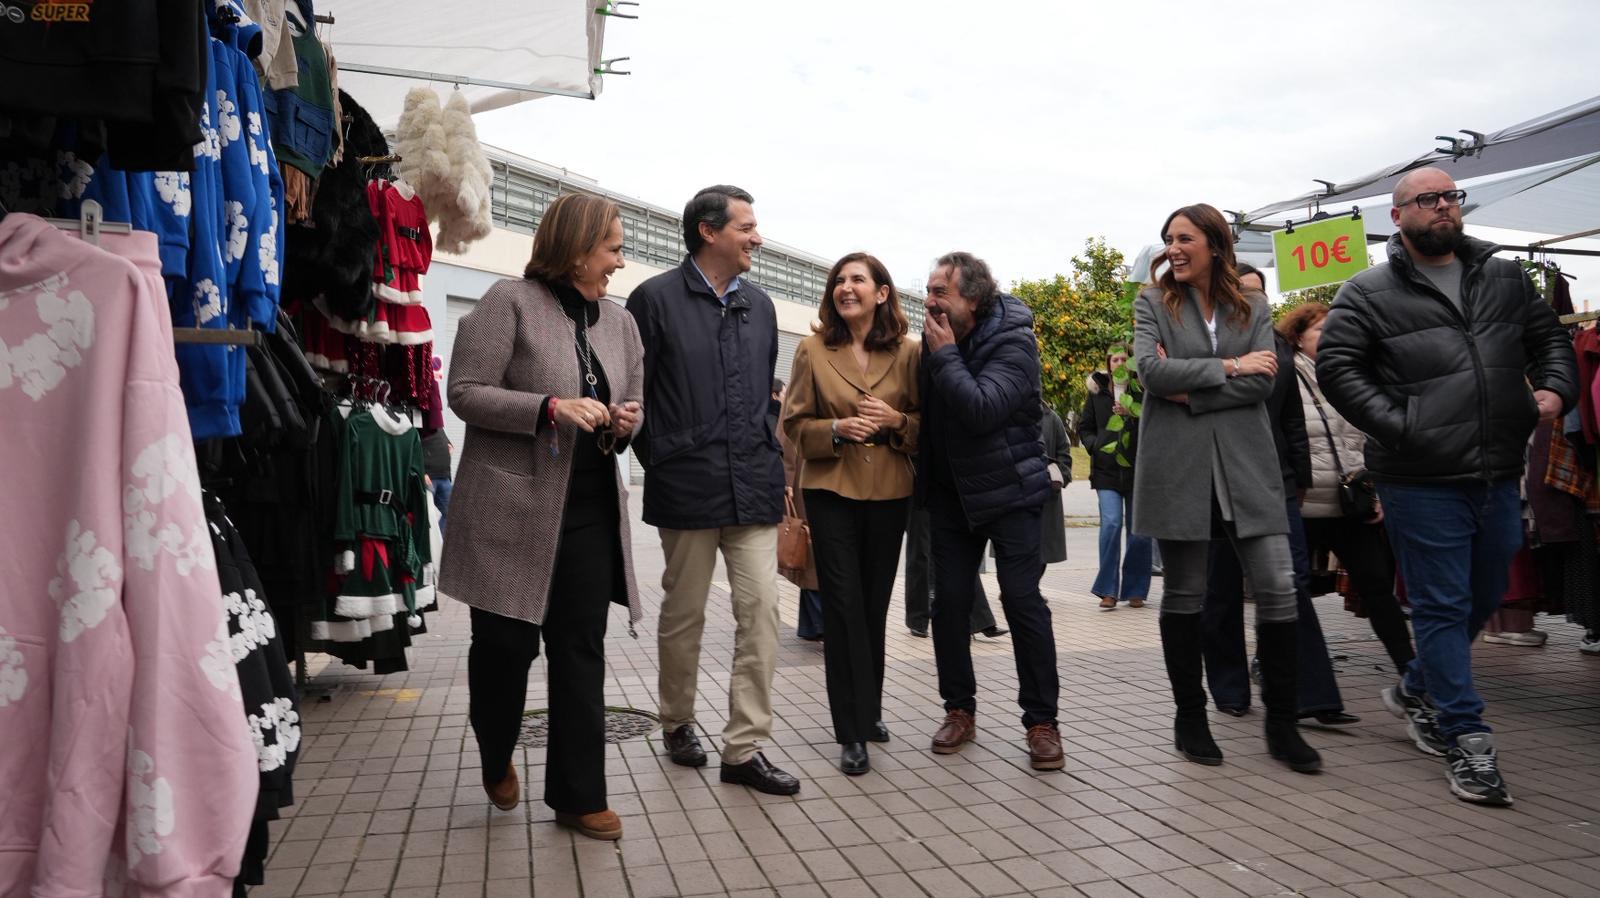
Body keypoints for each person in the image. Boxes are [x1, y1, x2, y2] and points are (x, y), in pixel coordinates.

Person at [1317, 167, 1576, 805]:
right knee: (1440, 603)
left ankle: (1414, 685)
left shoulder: (1505, 276)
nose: (1443, 207)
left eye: (1450, 196)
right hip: (1417, 475)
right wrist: (1401, 425)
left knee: (1484, 593)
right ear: (1398, 215)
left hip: (1494, 468)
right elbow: (1338, 366)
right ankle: (1467, 736)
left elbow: (1550, 341)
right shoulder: (1366, 291)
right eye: (1427, 199)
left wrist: (1556, 390)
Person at [441, 193, 644, 840]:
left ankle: (579, 797)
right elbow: (465, 392)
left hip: (587, 510)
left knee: (579, 650)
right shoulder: (508, 303)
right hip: (509, 508)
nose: (619, 258)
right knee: (505, 650)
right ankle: (497, 753)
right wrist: (548, 407)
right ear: (577, 246)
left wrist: (625, 421)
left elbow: (627, 402)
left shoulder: (620, 322)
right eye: (611, 245)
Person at [1132, 203, 1321, 774]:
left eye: (1184, 237)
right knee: (1185, 592)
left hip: (1247, 465)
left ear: (1215, 243)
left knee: (1279, 587)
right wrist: (1232, 368)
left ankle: (1282, 725)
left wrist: (1193, 387)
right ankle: (1190, 716)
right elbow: (1150, 373)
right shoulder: (1152, 302)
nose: (1173, 248)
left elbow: (1267, 384)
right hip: (1179, 466)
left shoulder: (1255, 304)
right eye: (1167, 239)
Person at [626, 185, 800, 796]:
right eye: (747, 226)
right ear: (709, 231)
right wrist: (663, 453)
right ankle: (676, 721)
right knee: (685, 614)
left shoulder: (762, 306)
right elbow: (634, 391)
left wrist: (769, 459)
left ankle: (744, 748)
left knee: (763, 613)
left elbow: (762, 399)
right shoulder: (653, 300)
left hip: (752, 483)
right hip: (687, 484)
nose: (757, 237)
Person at [919, 251, 1064, 771]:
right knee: (950, 605)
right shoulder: (936, 338)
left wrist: (945, 355)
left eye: (941, 292)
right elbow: (932, 417)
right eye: (929, 289)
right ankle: (959, 709)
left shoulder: (1014, 341)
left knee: (1022, 602)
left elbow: (981, 409)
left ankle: (1042, 722)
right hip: (952, 497)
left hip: (1011, 494)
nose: (930, 300)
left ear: (973, 299)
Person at [1201, 263, 1357, 727]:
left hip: (1276, 484)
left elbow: (1291, 421)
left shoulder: (1279, 352)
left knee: (1289, 587)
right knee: (1222, 591)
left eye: (1259, 294)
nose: (1252, 301)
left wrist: (1300, 479)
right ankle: (1230, 689)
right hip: (1218, 484)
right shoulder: (1206, 349)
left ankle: (1311, 696)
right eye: (1242, 292)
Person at [783, 251, 920, 775]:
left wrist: (896, 421)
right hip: (831, 492)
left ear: (882, 292)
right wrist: (837, 430)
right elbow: (794, 426)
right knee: (842, 608)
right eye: (839, 280)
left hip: (889, 494)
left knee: (872, 606)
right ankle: (851, 731)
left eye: (857, 280)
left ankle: (872, 709)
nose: (846, 288)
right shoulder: (811, 350)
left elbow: (928, 424)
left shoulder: (910, 354)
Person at [1279, 301, 1417, 677]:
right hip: (1302, 505)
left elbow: (1368, 439)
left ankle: (1412, 674)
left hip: (1349, 503)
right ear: (1297, 336)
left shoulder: (1351, 376)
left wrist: (1376, 491)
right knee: (1288, 594)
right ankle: (1276, 664)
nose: (1332, 338)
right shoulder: (1282, 376)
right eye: (1322, 330)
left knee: (1377, 590)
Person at [1078, 343, 1152, 610]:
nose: (1119, 364)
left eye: (1124, 360)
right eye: (1114, 360)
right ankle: (1108, 590)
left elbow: (1153, 424)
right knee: (1110, 525)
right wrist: (1095, 445)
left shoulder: (1141, 391)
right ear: (1108, 364)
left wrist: (1132, 414)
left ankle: (1135, 589)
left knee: (1140, 534)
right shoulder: (1097, 393)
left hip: (1137, 471)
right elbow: (1083, 427)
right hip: (1106, 472)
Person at [903, 508, 1007, 638]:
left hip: (946, 492)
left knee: (958, 552)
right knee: (920, 550)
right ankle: (917, 619)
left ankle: (981, 619)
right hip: (917, 494)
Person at [777, 400, 824, 642]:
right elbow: (785, 436)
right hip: (805, 479)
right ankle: (817, 622)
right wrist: (786, 479)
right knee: (810, 552)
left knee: (814, 555)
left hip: (820, 476)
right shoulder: (801, 387)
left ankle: (812, 624)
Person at [1040, 400, 1072, 567]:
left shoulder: (1052, 419)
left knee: (1042, 554)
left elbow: (1064, 453)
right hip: (1014, 495)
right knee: (1013, 553)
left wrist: (1060, 475)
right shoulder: (1007, 415)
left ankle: (1031, 590)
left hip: (1045, 493)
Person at [420, 430, 453, 531]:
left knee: (452, 514)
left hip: (444, 475)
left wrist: (448, 444)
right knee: (425, 518)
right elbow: (409, 447)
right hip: (428, 478)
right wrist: (421, 472)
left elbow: (441, 436)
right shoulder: (415, 419)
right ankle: (427, 546)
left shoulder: (435, 419)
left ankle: (441, 545)